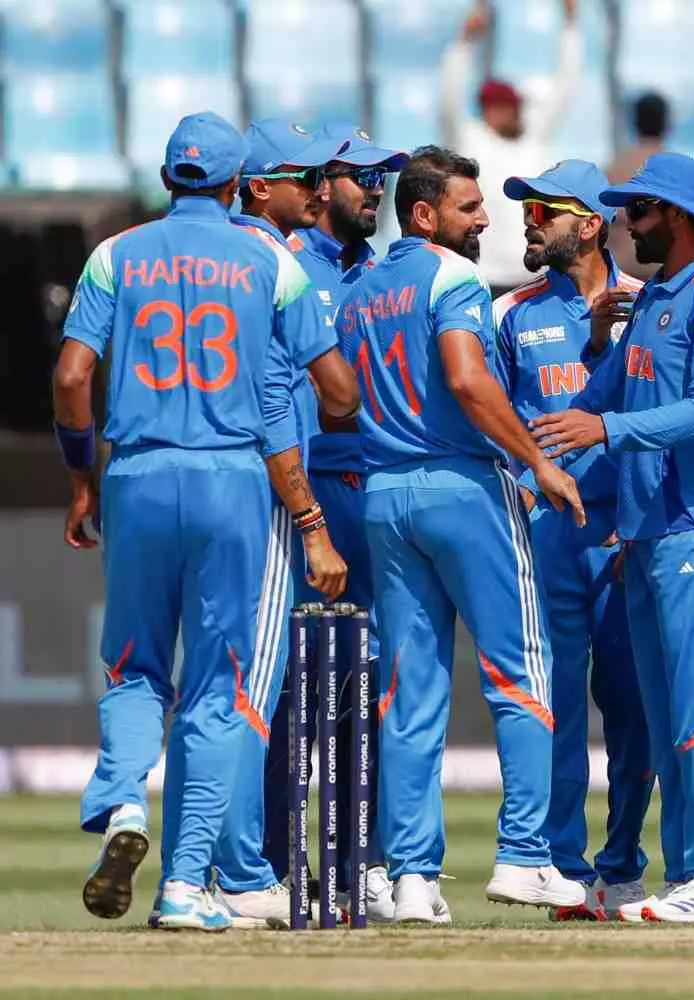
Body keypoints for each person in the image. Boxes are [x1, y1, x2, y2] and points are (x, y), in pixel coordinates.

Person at [58, 111, 358, 931]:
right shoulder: (270, 260)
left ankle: (125, 803)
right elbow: (338, 391)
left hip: (138, 474)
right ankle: (186, 887)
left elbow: (73, 377)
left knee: (133, 669)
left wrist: (82, 478)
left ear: (166, 179)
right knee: (218, 688)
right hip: (232, 479)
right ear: (235, 186)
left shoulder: (115, 254)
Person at [347, 145, 586, 924]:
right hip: (462, 487)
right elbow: (465, 376)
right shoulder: (451, 277)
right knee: (523, 672)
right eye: (469, 207)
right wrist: (537, 463)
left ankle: (413, 879)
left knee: (409, 692)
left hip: (385, 494)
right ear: (424, 214)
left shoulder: (360, 289)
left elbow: (339, 395)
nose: (485, 220)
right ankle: (525, 856)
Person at [531, 153, 694, 925]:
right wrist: (529, 460)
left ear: (680, 217)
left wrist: (606, 430)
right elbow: (591, 400)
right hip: (645, 533)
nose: (626, 221)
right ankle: (692, 872)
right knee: (666, 723)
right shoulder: (658, 295)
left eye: (640, 209)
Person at [493, 160, 653, 921]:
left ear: (590, 225)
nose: (528, 223)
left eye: (542, 211)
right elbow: (488, 422)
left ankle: (620, 867)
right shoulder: (510, 312)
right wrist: (522, 495)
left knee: (632, 712)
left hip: (625, 535)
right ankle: (562, 868)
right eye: (525, 211)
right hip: (546, 537)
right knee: (551, 709)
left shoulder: (653, 306)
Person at [271, 122, 412, 922]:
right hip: (306, 491)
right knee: (294, 688)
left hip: (376, 489)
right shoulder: (286, 265)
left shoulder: (386, 273)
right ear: (321, 185)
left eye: (384, 178)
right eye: (363, 177)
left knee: (373, 684)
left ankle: (368, 867)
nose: (376, 192)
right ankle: (274, 866)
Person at [210, 116, 348, 929]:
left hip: (199, 484)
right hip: (263, 495)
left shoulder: (206, 255)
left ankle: (202, 869)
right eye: (308, 177)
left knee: (213, 687)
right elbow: (284, 401)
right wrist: (312, 522)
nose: (323, 189)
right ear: (259, 187)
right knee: (251, 690)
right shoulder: (270, 261)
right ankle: (239, 872)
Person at [441, 0, 582, 295]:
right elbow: (448, 98)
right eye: (502, 108)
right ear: (486, 111)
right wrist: (463, 43)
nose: (510, 114)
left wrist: (570, 26)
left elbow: (566, 85)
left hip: (534, 275)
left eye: (513, 108)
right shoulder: (470, 141)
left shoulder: (533, 136)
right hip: (485, 277)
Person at [607, 92, 671, 281]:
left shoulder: (613, 169)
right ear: (666, 124)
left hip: (618, 277)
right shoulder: (677, 172)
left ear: (635, 122)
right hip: (664, 278)